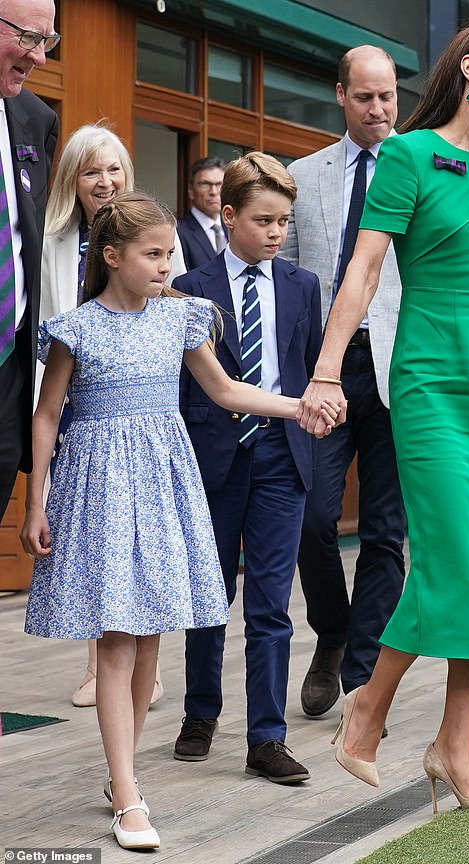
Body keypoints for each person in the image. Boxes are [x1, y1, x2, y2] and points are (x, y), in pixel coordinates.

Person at [297, 20, 469, 812]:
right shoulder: (410, 156)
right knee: (451, 562)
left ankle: (456, 750)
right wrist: (324, 370)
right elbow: (362, 272)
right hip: (427, 382)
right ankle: (368, 710)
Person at [20, 191, 337, 850]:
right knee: (114, 638)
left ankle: (123, 772)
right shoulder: (75, 328)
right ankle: (128, 794)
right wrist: (35, 502)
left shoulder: (184, 319)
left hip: (163, 485)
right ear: (112, 256)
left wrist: (298, 407)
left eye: (171, 252)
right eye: (153, 253)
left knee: (148, 642)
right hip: (99, 488)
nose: (168, 264)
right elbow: (47, 414)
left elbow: (225, 392)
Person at [172, 152, 323, 783]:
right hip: (211, 458)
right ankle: (201, 712)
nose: (275, 232)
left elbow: (313, 369)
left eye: (284, 221)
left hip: (282, 460)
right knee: (210, 596)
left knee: (270, 604)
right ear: (228, 215)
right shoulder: (189, 290)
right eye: (263, 219)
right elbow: (185, 386)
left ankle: (267, 737)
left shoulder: (302, 287)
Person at [39, 122, 186, 708]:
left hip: (135, 401)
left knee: (132, 533)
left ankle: (130, 665)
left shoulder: (146, 240)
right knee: (85, 530)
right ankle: (98, 663)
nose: (104, 180)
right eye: (91, 170)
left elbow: (168, 303)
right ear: (72, 181)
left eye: (114, 169)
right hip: (64, 392)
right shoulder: (48, 237)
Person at [284, 45, 406, 719]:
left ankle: (361, 680)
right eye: (364, 97)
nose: (378, 109)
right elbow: (296, 281)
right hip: (324, 371)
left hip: (396, 370)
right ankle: (332, 634)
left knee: (387, 531)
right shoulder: (305, 175)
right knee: (313, 519)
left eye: (387, 96)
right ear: (341, 95)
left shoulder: (420, 170)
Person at [0, 0, 59, 521]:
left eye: (47, 41)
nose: (39, 57)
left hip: (7, 372)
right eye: (28, 37)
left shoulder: (37, 120)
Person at [177, 156, 226, 270]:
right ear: (191, 191)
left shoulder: (233, 228)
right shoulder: (179, 232)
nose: (214, 192)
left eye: (220, 185)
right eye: (205, 184)